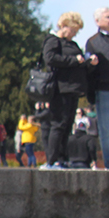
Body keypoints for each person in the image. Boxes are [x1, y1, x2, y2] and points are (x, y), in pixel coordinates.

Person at [41, 12, 95, 169]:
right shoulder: (53, 41)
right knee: (58, 124)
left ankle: (63, 158)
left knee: (67, 124)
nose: (75, 34)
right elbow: (50, 59)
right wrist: (74, 60)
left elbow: (79, 64)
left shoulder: (73, 45)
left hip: (73, 89)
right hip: (60, 89)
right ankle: (52, 160)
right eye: (74, 30)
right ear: (64, 26)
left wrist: (89, 63)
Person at [85, 7, 109, 168]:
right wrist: (91, 64)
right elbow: (88, 71)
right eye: (108, 16)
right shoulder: (93, 42)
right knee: (108, 131)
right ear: (98, 21)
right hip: (105, 90)